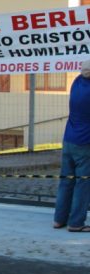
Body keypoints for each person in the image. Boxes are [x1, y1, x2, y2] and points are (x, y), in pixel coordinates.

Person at [53, 59, 90, 232]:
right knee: (83, 184)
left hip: (68, 140)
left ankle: (59, 220)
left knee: (66, 182)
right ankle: (76, 223)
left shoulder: (76, 83)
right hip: (85, 143)